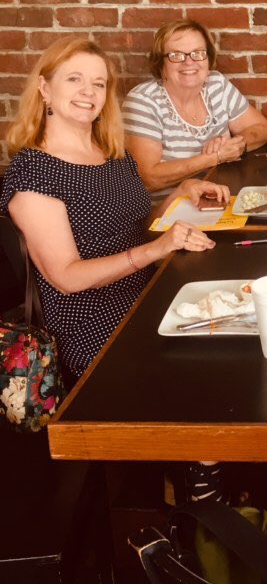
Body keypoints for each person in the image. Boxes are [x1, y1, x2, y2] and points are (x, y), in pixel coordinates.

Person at [0, 36, 229, 387]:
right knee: (209, 370)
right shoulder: (35, 171)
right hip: (95, 323)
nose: (88, 92)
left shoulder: (111, 153)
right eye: (74, 79)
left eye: (98, 83)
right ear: (45, 88)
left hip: (147, 293)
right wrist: (154, 250)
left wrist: (180, 195)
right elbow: (66, 277)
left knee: (232, 333)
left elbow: (136, 224)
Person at [123, 18, 267, 201]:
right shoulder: (143, 101)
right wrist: (215, 157)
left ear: (208, 60)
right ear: (160, 65)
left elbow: (262, 128)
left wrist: (236, 144)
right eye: (176, 55)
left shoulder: (216, 84)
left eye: (198, 53)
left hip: (221, 196)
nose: (189, 62)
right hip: (171, 209)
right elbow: (149, 178)